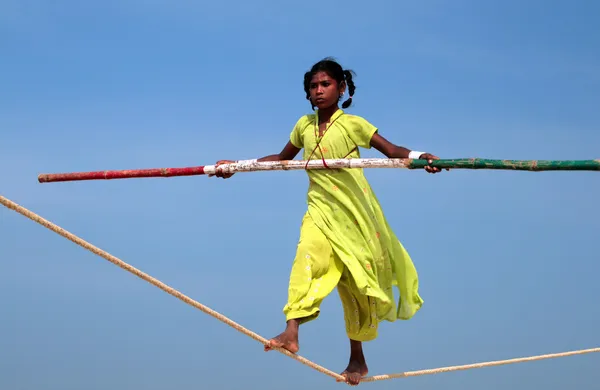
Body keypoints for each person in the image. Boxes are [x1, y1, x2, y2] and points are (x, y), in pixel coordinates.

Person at [211, 58, 444, 385]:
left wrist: (422, 158)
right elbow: (281, 160)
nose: (318, 91)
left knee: (354, 283)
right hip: (319, 212)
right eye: (313, 86)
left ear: (341, 88)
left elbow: (392, 150)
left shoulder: (353, 125)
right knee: (306, 258)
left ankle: (357, 359)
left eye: (325, 85)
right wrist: (237, 165)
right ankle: (291, 332)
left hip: (353, 216)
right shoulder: (303, 126)